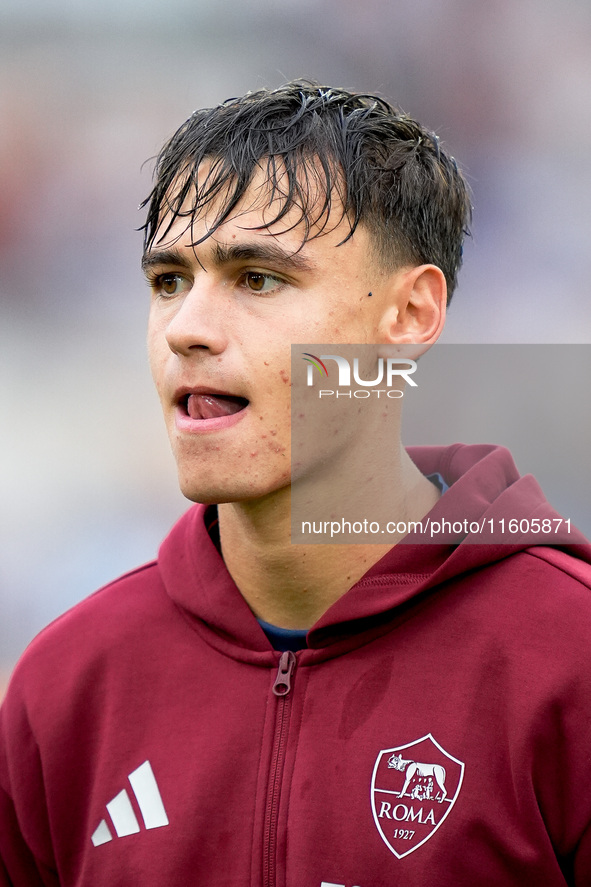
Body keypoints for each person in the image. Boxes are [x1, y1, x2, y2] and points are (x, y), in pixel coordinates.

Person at [1, 81, 590, 887]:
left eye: (257, 279)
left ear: (410, 313)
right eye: (169, 280)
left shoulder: (568, 658)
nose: (186, 329)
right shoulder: (69, 682)